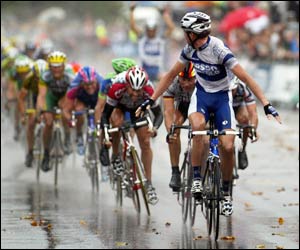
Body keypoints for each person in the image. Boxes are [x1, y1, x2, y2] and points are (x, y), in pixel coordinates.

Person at [136, 11, 281, 216]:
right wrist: (150, 100)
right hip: (202, 96)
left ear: (194, 33)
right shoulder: (188, 50)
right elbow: (169, 76)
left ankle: (226, 192)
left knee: (228, 146)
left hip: (222, 98)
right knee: (198, 129)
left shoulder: (219, 50)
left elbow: (247, 78)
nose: (184, 36)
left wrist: (266, 104)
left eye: (186, 32)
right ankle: (196, 178)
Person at [101, 66, 163, 205]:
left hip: (138, 110)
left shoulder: (149, 90)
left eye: (139, 90)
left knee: (145, 142)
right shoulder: (117, 87)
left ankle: (149, 183)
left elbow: (158, 114)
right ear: (127, 85)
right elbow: (105, 114)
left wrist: (155, 128)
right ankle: (116, 156)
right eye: (133, 90)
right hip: (120, 107)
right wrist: (106, 134)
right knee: (116, 123)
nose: (135, 93)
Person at [37, 51, 75, 172]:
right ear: (49, 66)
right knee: (48, 123)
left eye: (59, 66)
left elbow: (71, 95)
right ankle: (47, 154)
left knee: (65, 113)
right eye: (53, 66)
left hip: (65, 96)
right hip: (51, 97)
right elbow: (42, 95)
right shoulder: (45, 75)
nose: (56, 69)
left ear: (64, 66)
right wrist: (41, 110)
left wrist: (65, 106)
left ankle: (67, 138)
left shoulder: (70, 75)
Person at [163, 62, 196, 192]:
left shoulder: (203, 82)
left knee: (204, 134)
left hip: (200, 107)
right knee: (174, 128)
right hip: (183, 106)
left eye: (190, 80)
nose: (186, 84)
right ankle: (175, 172)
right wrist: (170, 132)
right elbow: (168, 112)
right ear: (178, 77)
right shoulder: (172, 82)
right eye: (183, 79)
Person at [63, 66, 104, 155]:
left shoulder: (102, 83)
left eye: (92, 83)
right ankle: (79, 135)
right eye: (86, 84)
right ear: (81, 83)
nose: (90, 87)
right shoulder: (74, 87)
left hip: (98, 100)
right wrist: (71, 119)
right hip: (82, 100)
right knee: (78, 109)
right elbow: (66, 109)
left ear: (96, 80)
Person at [129, 3, 175, 83]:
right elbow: (133, 27)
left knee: (164, 85)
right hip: (144, 68)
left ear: (156, 29)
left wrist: (163, 14)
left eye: (153, 30)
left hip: (157, 69)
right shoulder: (142, 37)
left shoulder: (160, 38)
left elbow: (171, 28)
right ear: (146, 29)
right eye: (149, 30)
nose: (151, 32)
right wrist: (132, 11)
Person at [18, 59, 48, 167]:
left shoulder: (50, 78)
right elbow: (21, 98)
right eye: (37, 77)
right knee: (31, 124)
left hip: (47, 96)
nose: (39, 79)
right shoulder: (29, 79)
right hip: (34, 97)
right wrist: (23, 114)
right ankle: (30, 152)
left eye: (42, 77)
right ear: (33, 74)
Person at [230, 76, 259, 169]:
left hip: (238, 107)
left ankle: (242, 148)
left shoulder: (243, 89)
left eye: (233, 90)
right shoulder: (220, 88)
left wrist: (253, 129)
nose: (231, 93)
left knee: (245, 119)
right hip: (223, 105)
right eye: (229, 90)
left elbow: (253, 113)